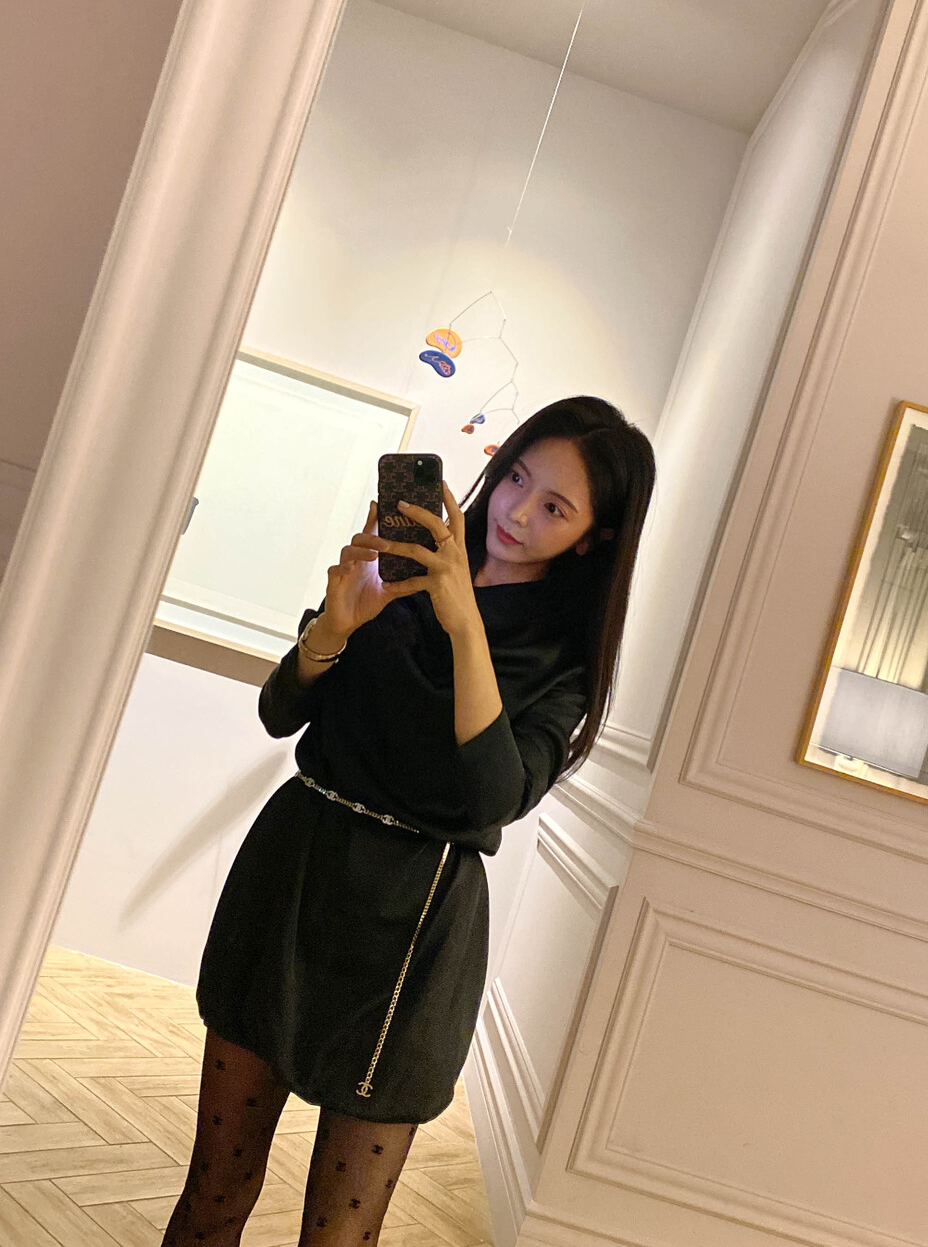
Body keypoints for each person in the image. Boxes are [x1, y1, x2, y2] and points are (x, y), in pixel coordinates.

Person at [161, 395, 656, 1244]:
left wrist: (464, 621)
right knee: (214, 1191)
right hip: (294, 874)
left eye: (554, 507)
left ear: (593, 537)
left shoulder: (562, 662)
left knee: (339, 1235)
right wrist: (336, 626)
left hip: (415, 929)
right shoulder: (393, 574)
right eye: (516, 478)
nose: (516, 512)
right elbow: (280, 712)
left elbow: (495, 795)